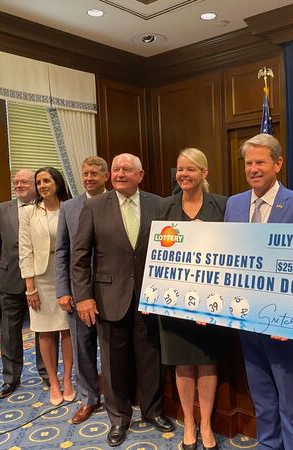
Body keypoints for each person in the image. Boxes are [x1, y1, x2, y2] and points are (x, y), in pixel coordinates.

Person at [71, 153, 174, 448]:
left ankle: (153, 411)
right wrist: (84, 297)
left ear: (140, 175)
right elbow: (79, 257)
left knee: (150, 358)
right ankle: (119, 419)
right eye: (116, 169)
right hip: (107, 298)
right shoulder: (93, 207)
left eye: (126, 169)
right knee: (114, 364)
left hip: (150, 296)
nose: (119, 174)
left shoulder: (159, 204)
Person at [224, 133, 293, 450]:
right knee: (261, 392)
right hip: (245, 319)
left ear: (277, 163)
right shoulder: (234, 204)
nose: (253, 168)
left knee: (291, 398)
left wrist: (292, 317)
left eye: (260, 162)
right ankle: (268, 444)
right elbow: (228, 258)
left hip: (284, 325)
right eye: (248, 162)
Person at [158, 148, 227, 450]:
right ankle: (189, 422)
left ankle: (207, 424)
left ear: (204, 173)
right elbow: (156, 256)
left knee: (207, 363)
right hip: (173, 304)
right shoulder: (164, 208)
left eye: (191, 169)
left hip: (211, 303)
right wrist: (153, 296)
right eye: (180, 169)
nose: (184, 174)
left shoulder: (223, 206)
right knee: (183, 364)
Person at [55, 156, 108, 424]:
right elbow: (62, 250)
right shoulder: (70, 207)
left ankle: (116, 396)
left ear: (105, 177)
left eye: (94, 174)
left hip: (112, 290)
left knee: (112, 348)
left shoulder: (117, 203)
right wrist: (63, 290)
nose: (88, 178)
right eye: (85, 173)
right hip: (77, 292)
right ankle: (89, 399)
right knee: (82, 347)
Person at [0, 169, 50, 399]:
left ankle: (46, 373)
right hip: (10, 279)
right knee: (9, 332)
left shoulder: (47, 207)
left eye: (24, 181)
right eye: (15, 182)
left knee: (43, 330)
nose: (19, 185)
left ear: (35, 185)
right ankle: (10, 379)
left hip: (41, 278)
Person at [19, 166, 74, 406]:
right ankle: (53, 381)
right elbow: (25, 250)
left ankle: (69, 379)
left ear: (58, 183)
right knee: (45, 330)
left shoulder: (71, 208)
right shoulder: (29, 213)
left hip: (68, 276)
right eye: (39, 182)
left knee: (67, 329)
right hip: (40, 278)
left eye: (47, 181)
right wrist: (29, 286)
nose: (42, 185)